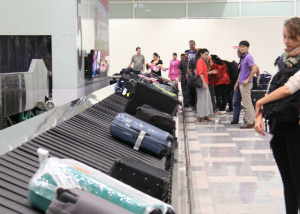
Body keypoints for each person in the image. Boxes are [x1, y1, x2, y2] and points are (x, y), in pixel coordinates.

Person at [254, 17, 300, 214]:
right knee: (287, 179)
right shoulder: (281, 60)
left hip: (295, 127)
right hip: (278, 124)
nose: (286, 41)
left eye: (292, 38)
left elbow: (289, 88)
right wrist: (259, 115)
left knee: (298, 178)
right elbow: (272, 88)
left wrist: (260, 102)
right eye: (284, 36)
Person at [234, 41, 257, 129]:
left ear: (247, 48)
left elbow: (254, 69)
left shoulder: (248, 57)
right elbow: (241, 72)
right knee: (247, 103)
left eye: (243, 47)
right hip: (241, 83)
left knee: (247, 103)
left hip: (246, 84)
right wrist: (237, 83)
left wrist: (247, 80)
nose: (242, 48)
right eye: (240, 47)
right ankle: (250, 120)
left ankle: (250, 122)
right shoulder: (243, 58)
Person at [195, 49, 214, 122]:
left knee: (206, 99)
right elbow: (200, 73)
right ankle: (200, 116)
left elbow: (205, 72)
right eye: (205, 54)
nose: (206, 56)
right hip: (202, 82)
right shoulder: (199, 61)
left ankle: (205, 115)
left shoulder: (203, 62)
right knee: (201, 99)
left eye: (207, 55)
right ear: (201, 54)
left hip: (205, 81)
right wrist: (203, 83)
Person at [187, 41, 197, 109]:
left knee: (195, 88)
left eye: (192, 44)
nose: (191, 45)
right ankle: (191, 102)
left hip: (195, 71)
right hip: (190, 71)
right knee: (190, 87)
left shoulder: (196, 52)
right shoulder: (189, 52)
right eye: (190, 44)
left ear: (194, 44)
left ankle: (195, 103)